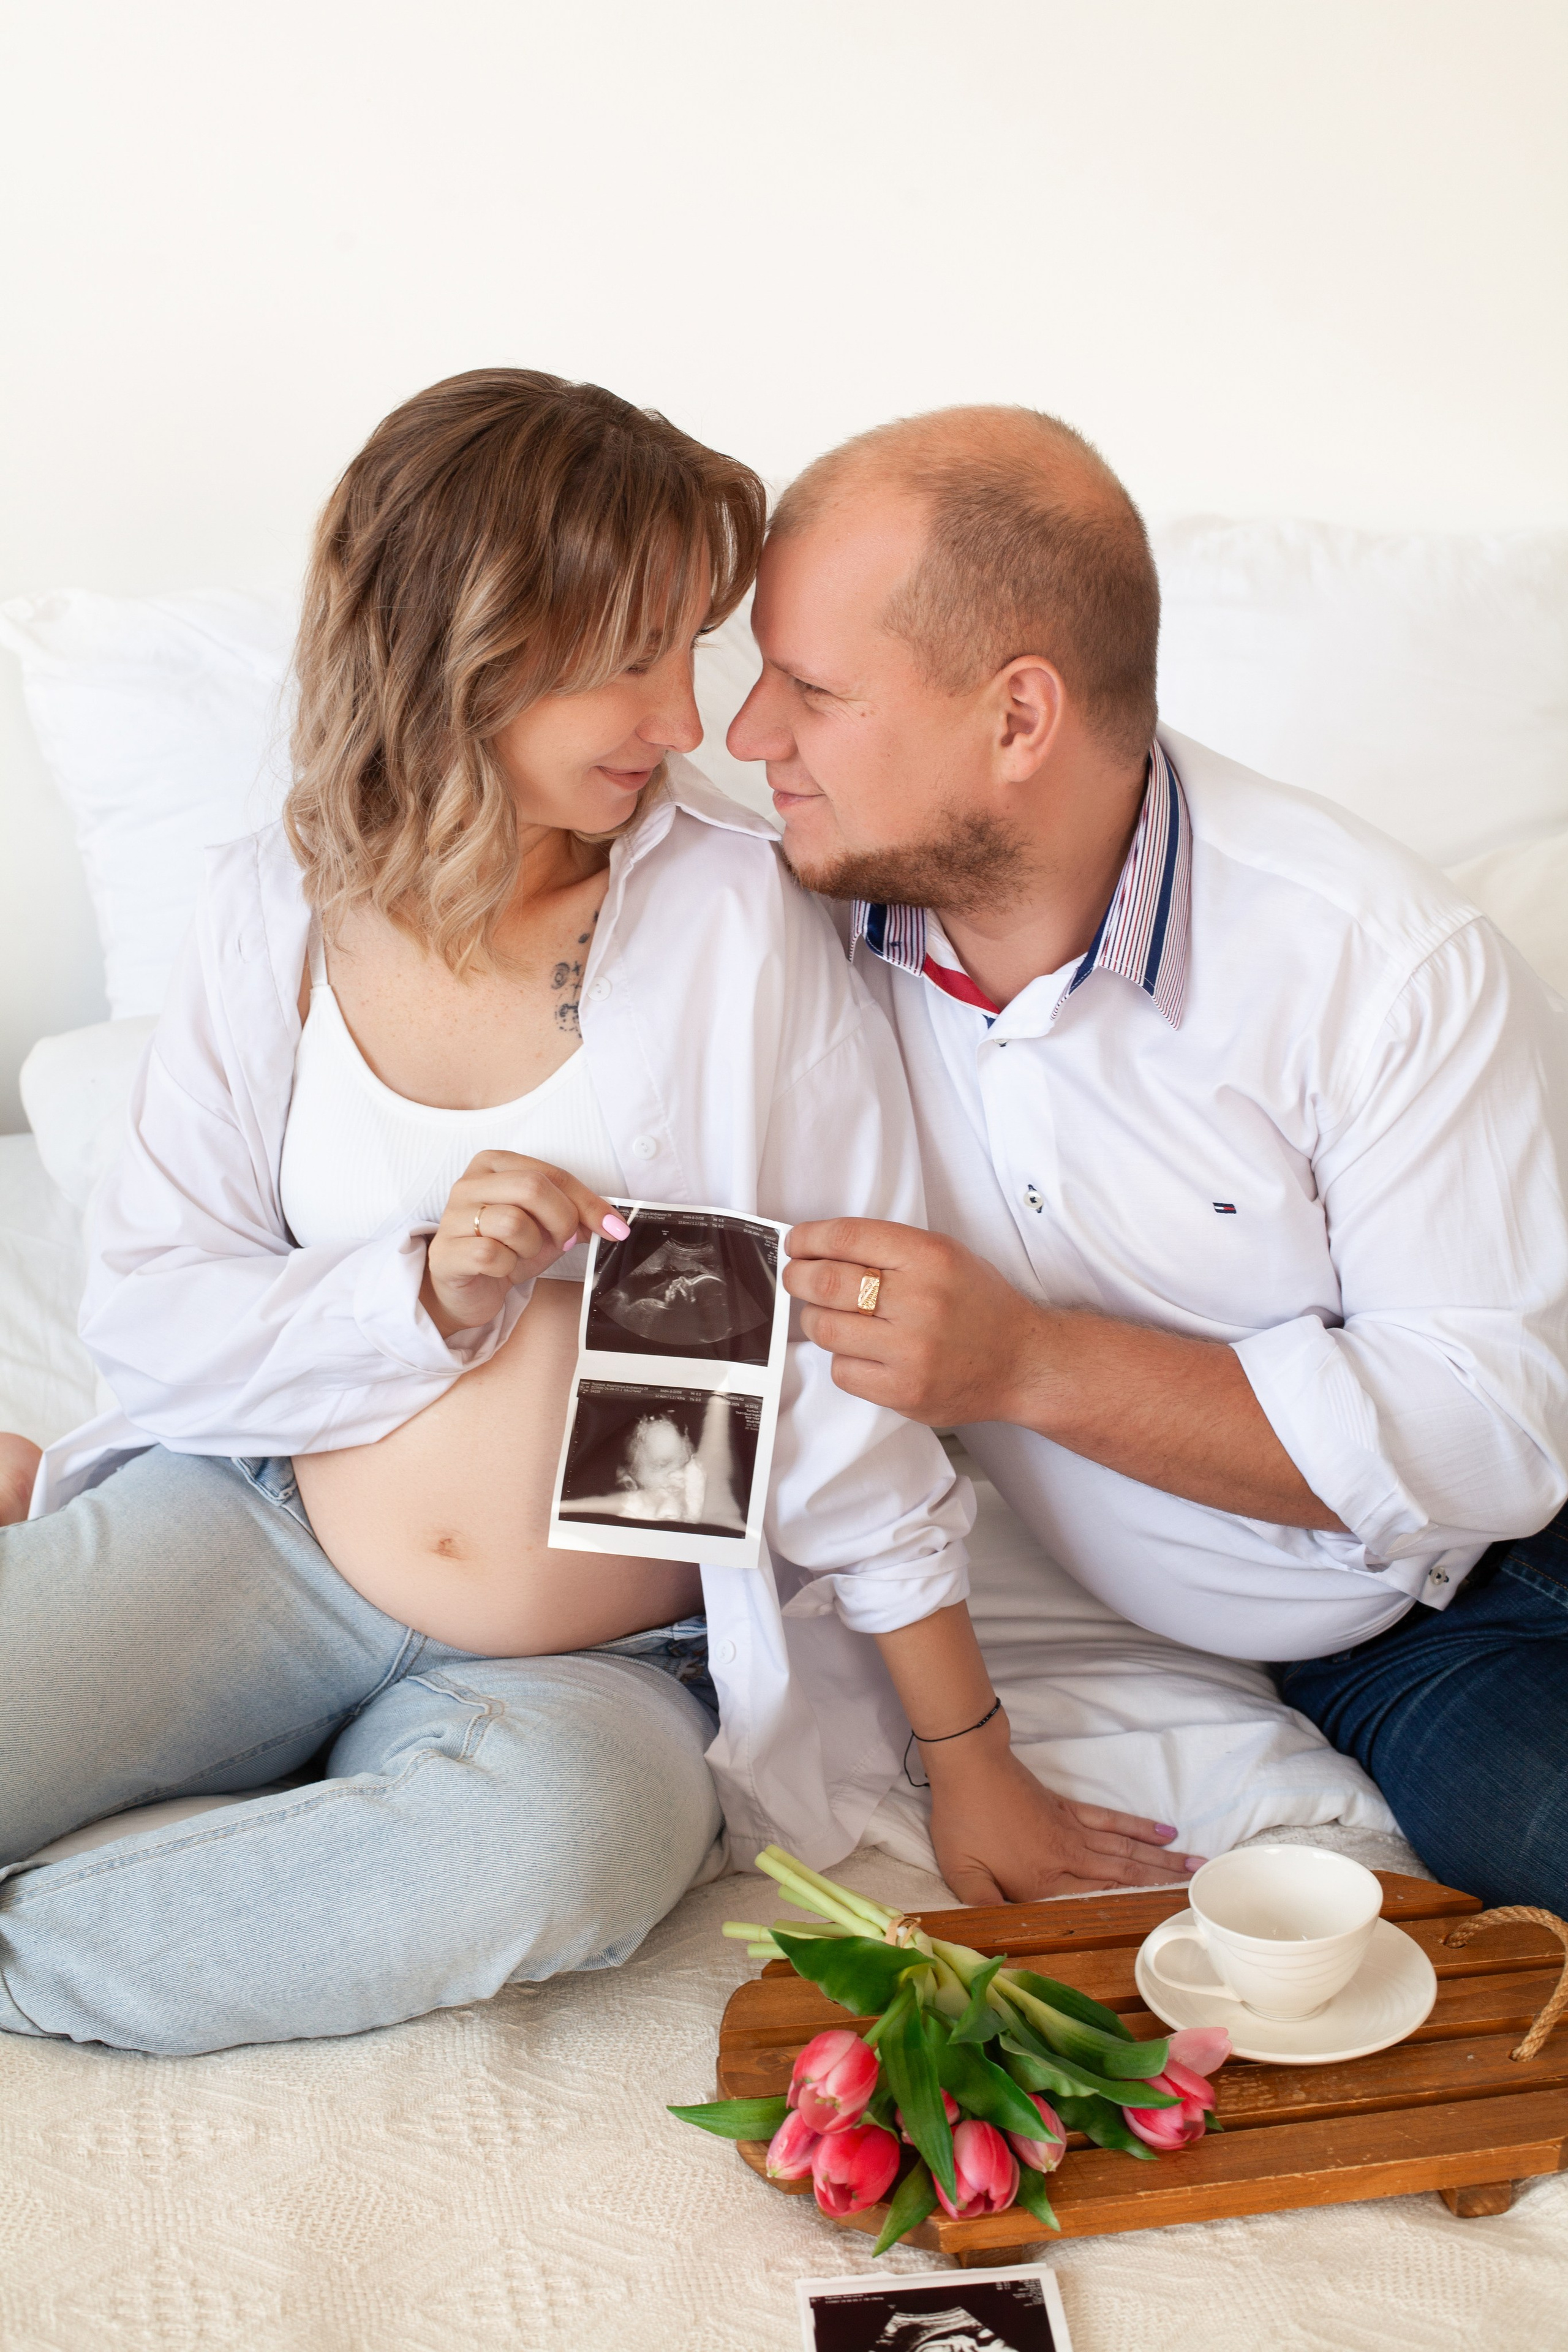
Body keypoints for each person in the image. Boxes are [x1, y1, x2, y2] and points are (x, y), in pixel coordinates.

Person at [0, 374, 1198, 2058]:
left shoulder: (720, 919)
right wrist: (420, 1290)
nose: (688, 720)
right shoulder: (274, 907)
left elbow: (828, 1348)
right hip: (271, 1540)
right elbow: (151, 1310)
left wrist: (968, 1754)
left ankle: (38, 1963)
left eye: (687, 650)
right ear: (460, 639)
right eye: (629, 658)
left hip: (599, 1662)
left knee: (573, 1849)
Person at [728, 403, 1568, 1910]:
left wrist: (1028, 1366)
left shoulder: (1378, 964)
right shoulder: (785, 926)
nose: (749, 738)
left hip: (1472, 1579)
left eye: (810, 689)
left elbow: (1488, 1443)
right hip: (1305, 1652)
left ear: (1017, 718)